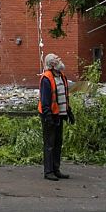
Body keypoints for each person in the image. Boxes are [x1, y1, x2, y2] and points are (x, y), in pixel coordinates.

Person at [38, 53, 75, 181]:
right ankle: (48, 172)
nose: (60, 60)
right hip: (50, 116)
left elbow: (63, 96)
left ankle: (56, 169)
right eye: (57, 59)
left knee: (57, 143)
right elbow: (45, 101)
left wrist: (68, 112)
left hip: (59, 115)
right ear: (52, 64)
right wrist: (48, 117)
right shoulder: (46, 78)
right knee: (49, 144)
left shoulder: (62, 77)